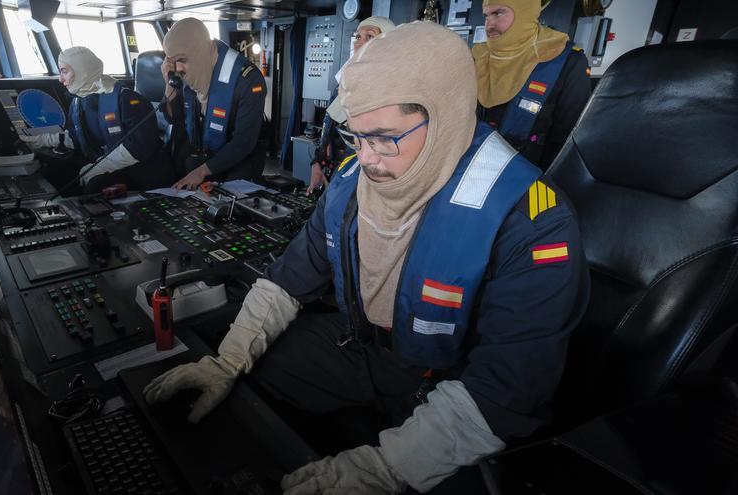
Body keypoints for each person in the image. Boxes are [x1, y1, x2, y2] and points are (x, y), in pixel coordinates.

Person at [145, 21, 589, 494]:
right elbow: (290, 277)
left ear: (446, 116)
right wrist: (227, 361)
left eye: (383, 138)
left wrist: (382, 469)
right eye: (356, 137)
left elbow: (505, 387)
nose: (367, 159)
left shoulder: (532, 220)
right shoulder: (352, 178)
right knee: (247, 388)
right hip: (362, 352)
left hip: (454, 384)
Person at [21, 46, 174, 192]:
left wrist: (98, 168)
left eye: (64, 72)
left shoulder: (127, 100)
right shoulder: (79, 101)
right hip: (112, 166)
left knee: (94, 185)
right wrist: (37, 141)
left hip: (143, 174)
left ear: (82, 70)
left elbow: (138, 147)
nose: (61, 79)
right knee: (55, 174)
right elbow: (75, 137)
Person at [472, 0, 591, 170]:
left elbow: (569, 141)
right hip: (473, 170)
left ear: (525, 13)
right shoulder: (478, 56)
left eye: (498, 13)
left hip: (531, 179)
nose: (489, 25)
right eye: (486, 16)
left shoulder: (567, 61)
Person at [159, 18, 267, 190]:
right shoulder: (189, 73)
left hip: (238, 163)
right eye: (173, 62)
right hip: (204, 157)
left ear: (199, 52)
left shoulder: (248, 80)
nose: (178, 69)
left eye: (182, 60)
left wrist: (201, 172)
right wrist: (168, 83)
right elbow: (174, 119)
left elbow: (243, 142)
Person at [305, 15, 395, 194]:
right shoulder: (344, 84)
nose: (359, 43)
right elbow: (329, 125)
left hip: (363, 185)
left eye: (370, 37)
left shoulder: (392, 93)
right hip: (335, 176)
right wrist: (318, 163)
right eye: (358, 37)